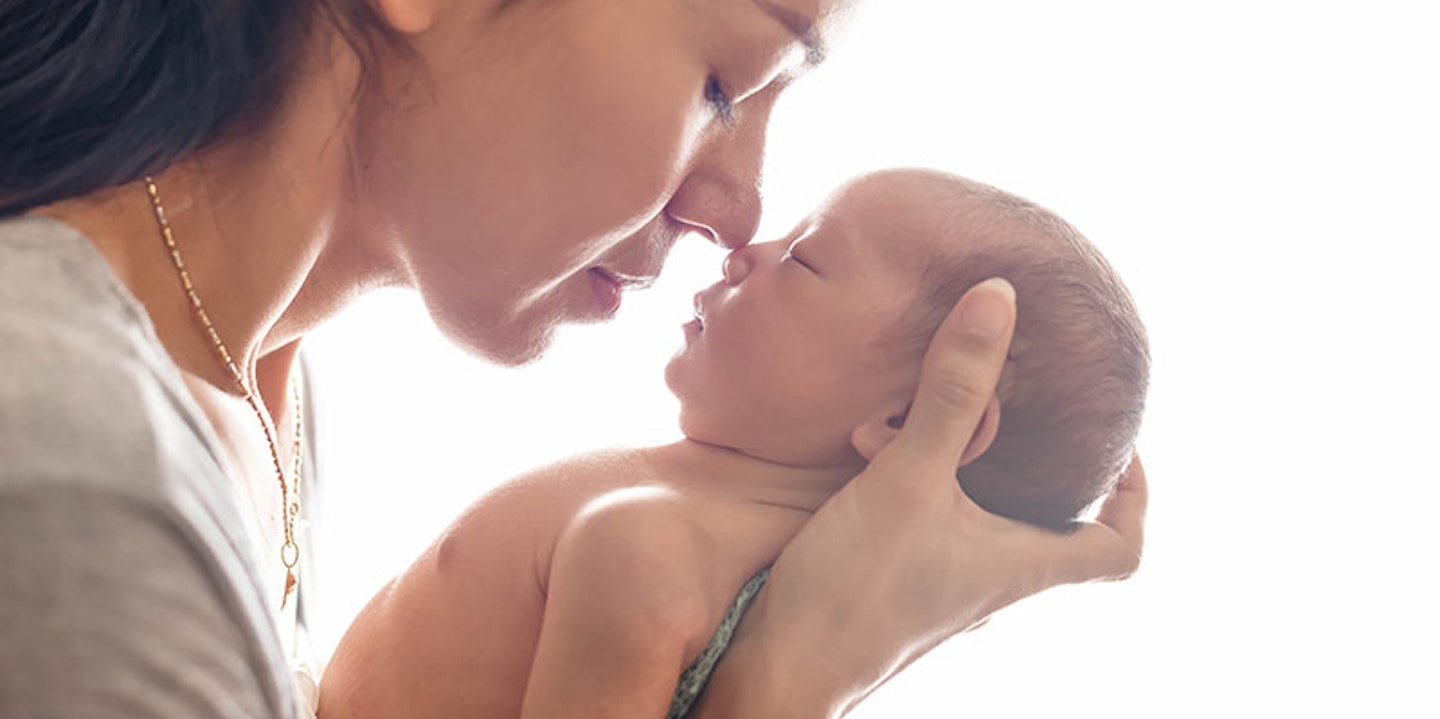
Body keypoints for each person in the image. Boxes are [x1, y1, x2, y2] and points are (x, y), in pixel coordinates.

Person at [0, 0, 1146, 718]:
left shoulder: (266, 386)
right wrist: (782, 679)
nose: (739, 207)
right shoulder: (80, 463)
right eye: (722, 85)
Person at [317, 168, 1149, 719]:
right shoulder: (697, 534)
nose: (747, 250)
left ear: (910, 421)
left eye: (807, 257)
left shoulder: (650, 551)